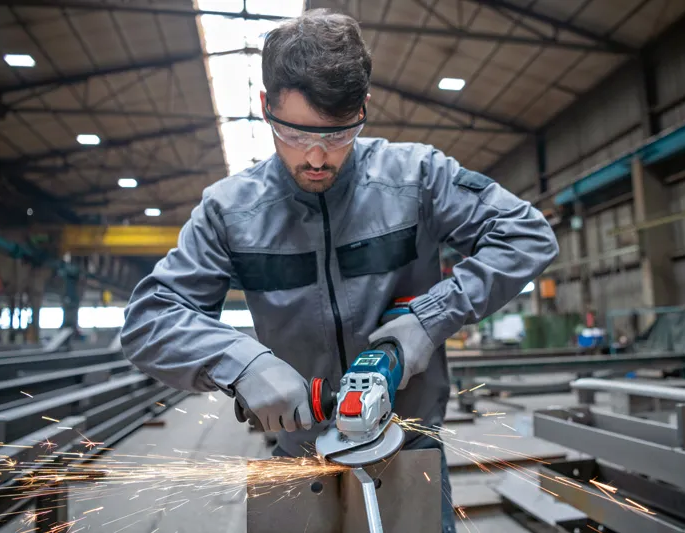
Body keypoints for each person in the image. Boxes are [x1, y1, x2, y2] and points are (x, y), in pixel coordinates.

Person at [120, 9, 558, 532]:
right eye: (293, 131)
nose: (316, 156)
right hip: (298, 456)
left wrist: (429, 318)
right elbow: (150, 320)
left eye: (338, 134)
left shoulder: (417, 178)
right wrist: (240, 363)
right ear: (264, 107)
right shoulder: (228, 211)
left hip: (408, 450)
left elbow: (526, 234)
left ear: (362, 111)